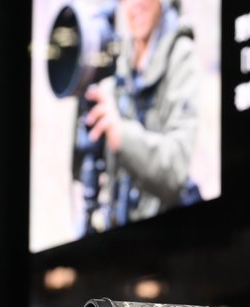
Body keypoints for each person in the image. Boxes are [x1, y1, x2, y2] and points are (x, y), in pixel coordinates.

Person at [79, 0, 201, 228]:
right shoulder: (121, 62)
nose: (135, 5)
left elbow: (175, 169)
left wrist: (121, 135)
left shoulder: (181, 54)